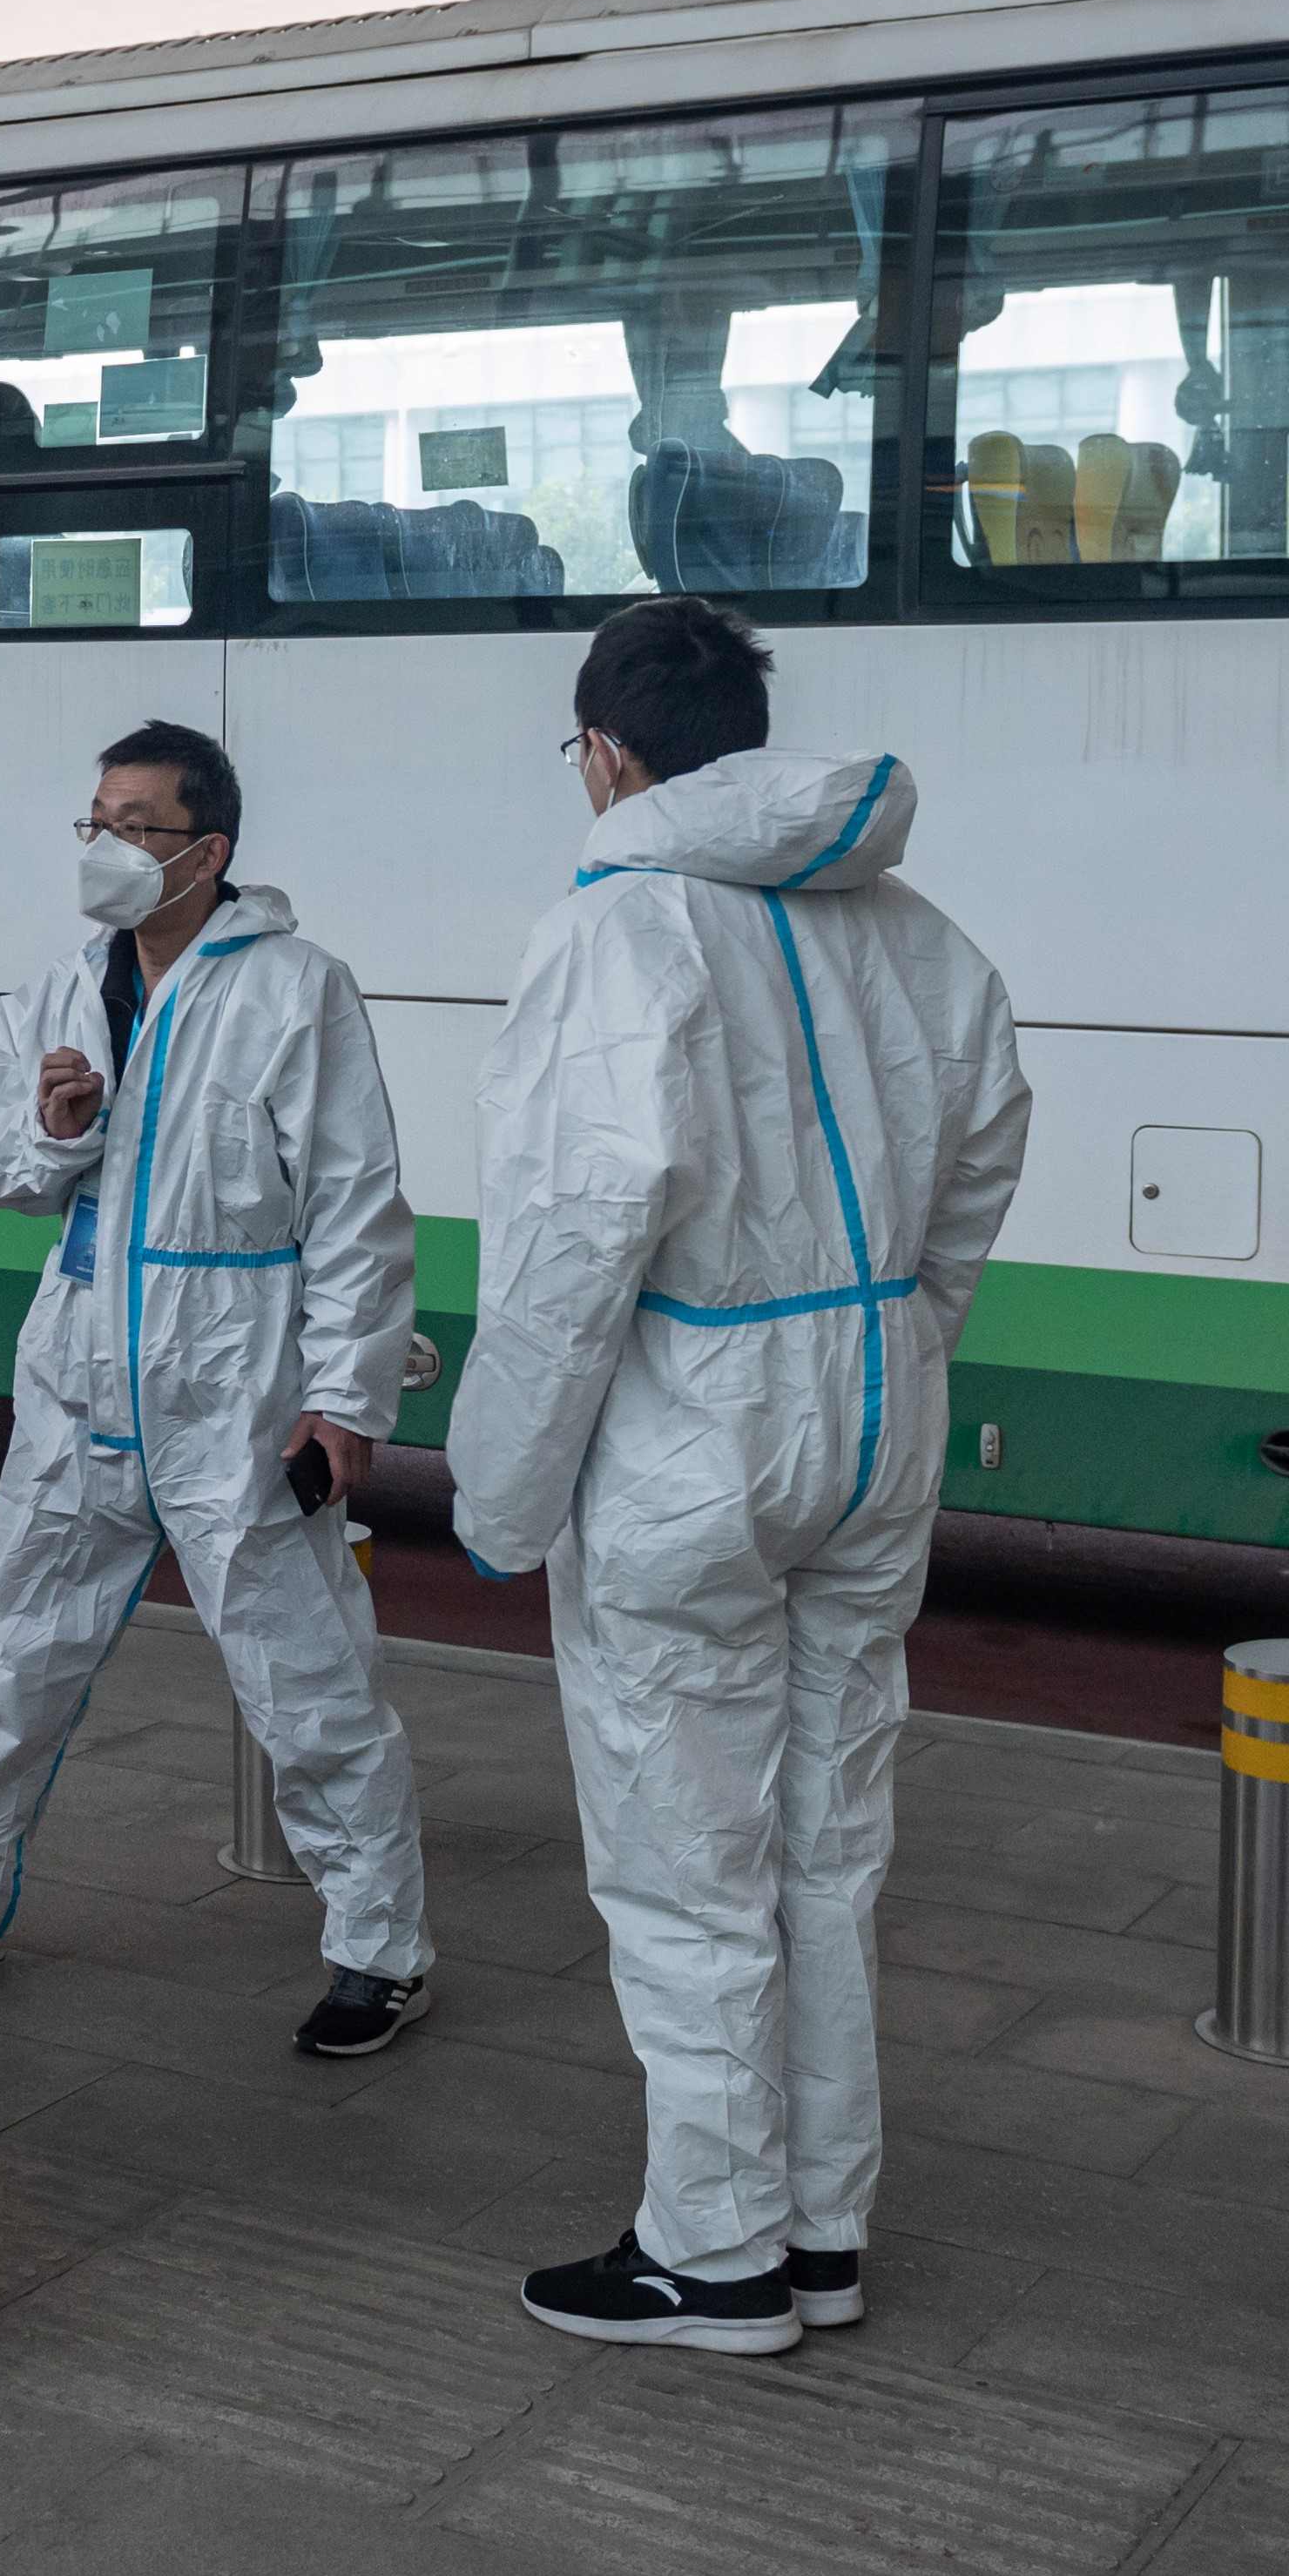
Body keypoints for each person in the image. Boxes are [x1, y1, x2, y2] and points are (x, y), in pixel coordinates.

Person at [449, 597, 1032, 2357]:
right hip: (872, 1401)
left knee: (686, 1846)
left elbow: (578, 1228)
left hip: (691, 1426)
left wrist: (496, 1488)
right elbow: (990, 1142)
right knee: (828, 1841)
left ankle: (714, 2253)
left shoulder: (618, 926)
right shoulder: (913, 927)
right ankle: (821, 2228)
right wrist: (910, 1331)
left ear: (607, 752)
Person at [0, 720, 433, 2054]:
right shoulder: (66, 987)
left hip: (235, 1381)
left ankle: (381, 1950)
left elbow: (358, 1206)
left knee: (307, 1681)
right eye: (97, 822)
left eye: (139, 826)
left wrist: (345, 1398)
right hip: (80, 1376)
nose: (109, 848)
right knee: (12, 1660)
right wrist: (51, 1129)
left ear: (209, 852)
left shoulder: (297, 991)